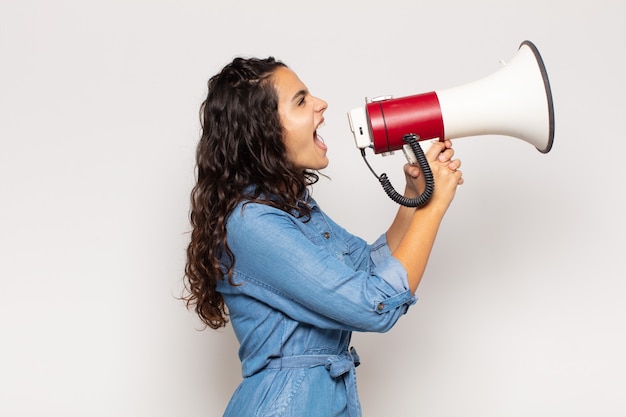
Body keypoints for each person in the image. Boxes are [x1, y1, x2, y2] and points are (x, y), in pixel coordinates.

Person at [183, 56, 464, 417]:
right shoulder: (251, 222)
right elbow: (372, 306)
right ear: (262, 130)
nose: (321, 104)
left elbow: (365, 267)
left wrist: (414, 198)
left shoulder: (291, 207)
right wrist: (434, 207)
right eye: (300, 100)